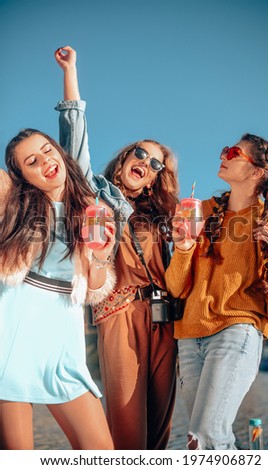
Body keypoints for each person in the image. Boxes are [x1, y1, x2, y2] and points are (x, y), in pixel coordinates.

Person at [54, 46, 180, 450]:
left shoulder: (164, 215)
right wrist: (71, 74)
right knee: (128, 435)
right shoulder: (99, 196)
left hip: (166, 319)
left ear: (155, 179)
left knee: (160, 436)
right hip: (119, 312)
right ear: (126, 157)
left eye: (157, 163)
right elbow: (74, 146)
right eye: (141, 152)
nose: (146, 162)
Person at [164, 135, 268, 450]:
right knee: (203, 438)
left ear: (257, 173)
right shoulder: (200, 211)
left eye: (234, 153)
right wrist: (183, 248)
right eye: (225, 149)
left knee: (205, 435)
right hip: (189, 337)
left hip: (236, 333)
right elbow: (176, 287)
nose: (223, 155)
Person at [0, 126, 116, 450]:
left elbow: (95, 289)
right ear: (22, 176)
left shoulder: (92, 210)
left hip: (63, 337)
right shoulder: (16, 206)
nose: (46, 161)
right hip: (11, 335)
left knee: (101, 452)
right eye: (32, 161)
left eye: (47, 149)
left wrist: (103, 256)